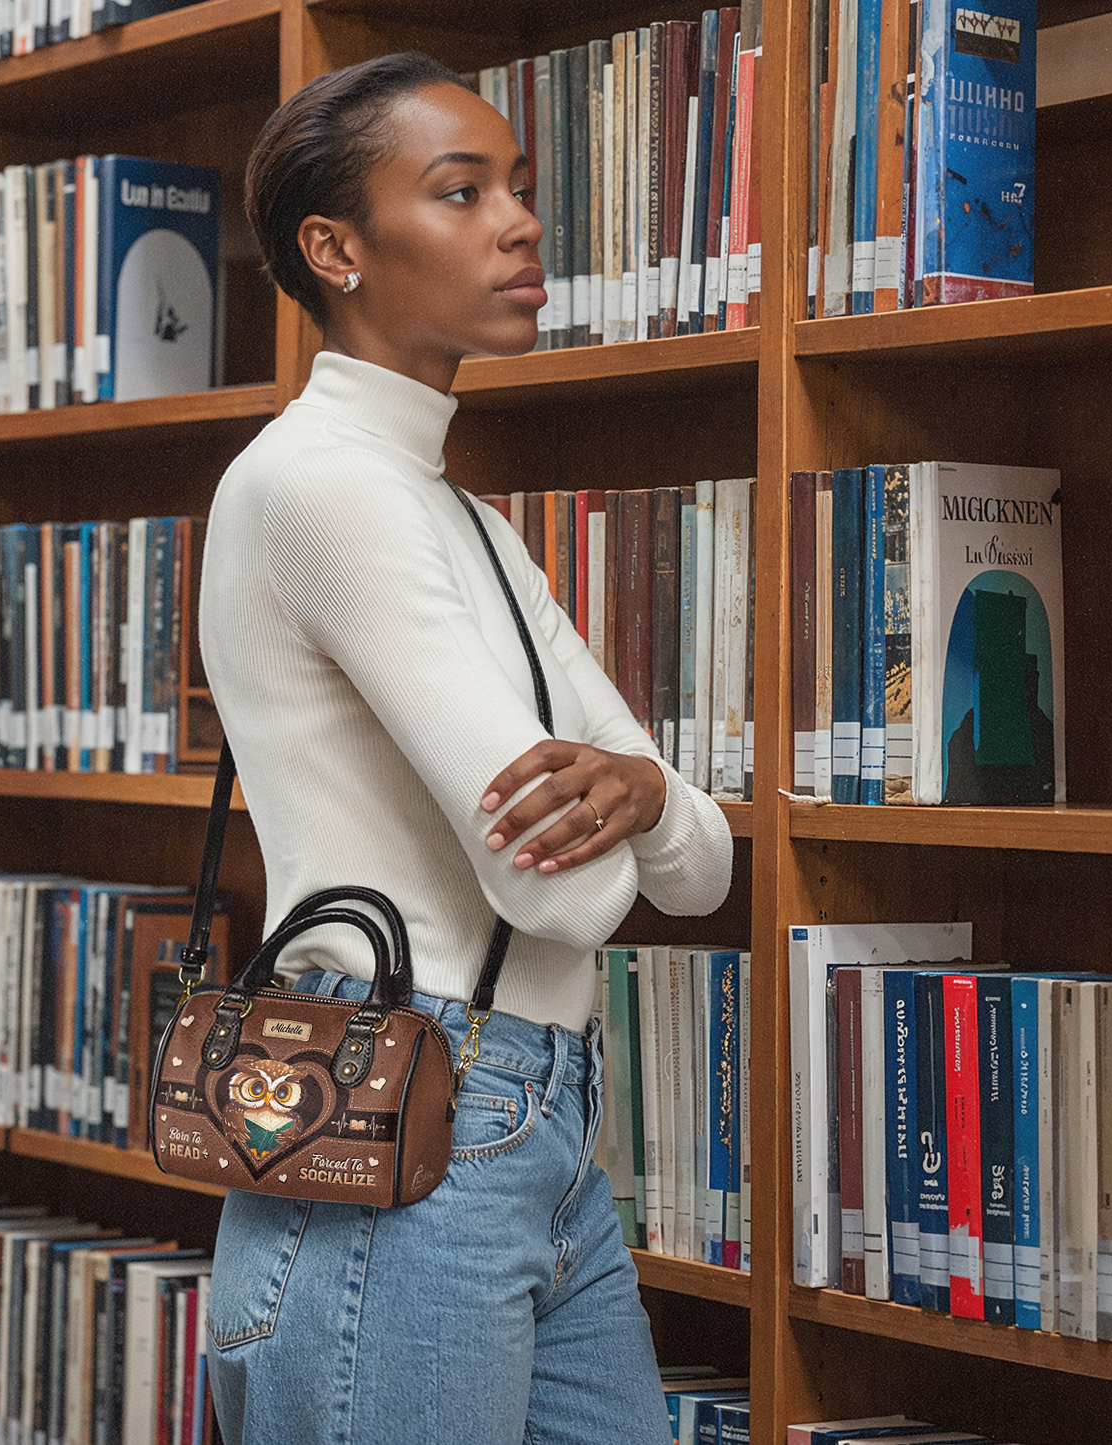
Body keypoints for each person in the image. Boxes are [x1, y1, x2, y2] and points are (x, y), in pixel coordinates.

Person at [198, 52, 734, 1445]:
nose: (521, 222)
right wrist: (641, 799)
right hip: (412, 1104)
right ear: (337, 249)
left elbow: (701, 866)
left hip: (540, 1129)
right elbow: (556, 892)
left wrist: (647, 796)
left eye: (520, 187)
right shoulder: (319, 488)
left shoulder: (466, 524)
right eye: (460, 191)